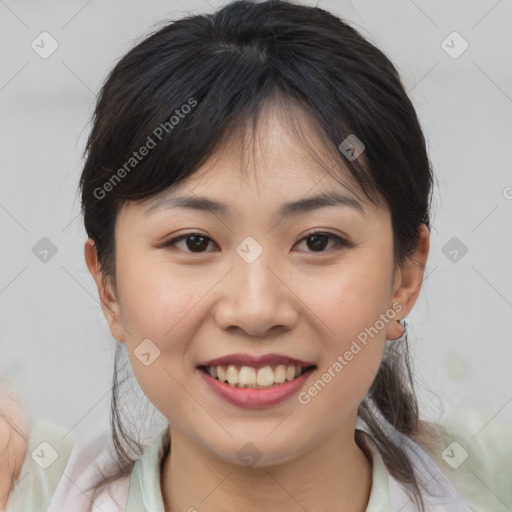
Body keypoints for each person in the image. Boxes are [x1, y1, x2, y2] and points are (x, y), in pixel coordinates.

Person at [1, 1, 511, 511]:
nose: (255, 310)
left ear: (404, 277)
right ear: (108, 286)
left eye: (318, 241)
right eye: (194, 242)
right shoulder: (33, 491)